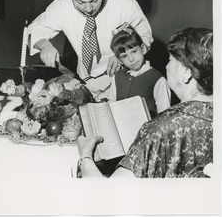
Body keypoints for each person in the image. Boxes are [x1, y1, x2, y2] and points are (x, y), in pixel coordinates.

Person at [77, 27, 213, 178]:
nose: (166, 66)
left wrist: (86, 156)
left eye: (170, 60)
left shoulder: (159, 129)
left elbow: (109, 193)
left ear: (186, 72)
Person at [108, 22, 171, 117]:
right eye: (124, 56)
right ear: (119, 60)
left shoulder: (158, 79)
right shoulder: (117, 77)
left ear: (143, 49)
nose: (131, 59)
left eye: (134, 51)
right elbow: (111, 104)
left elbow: (165, 115)